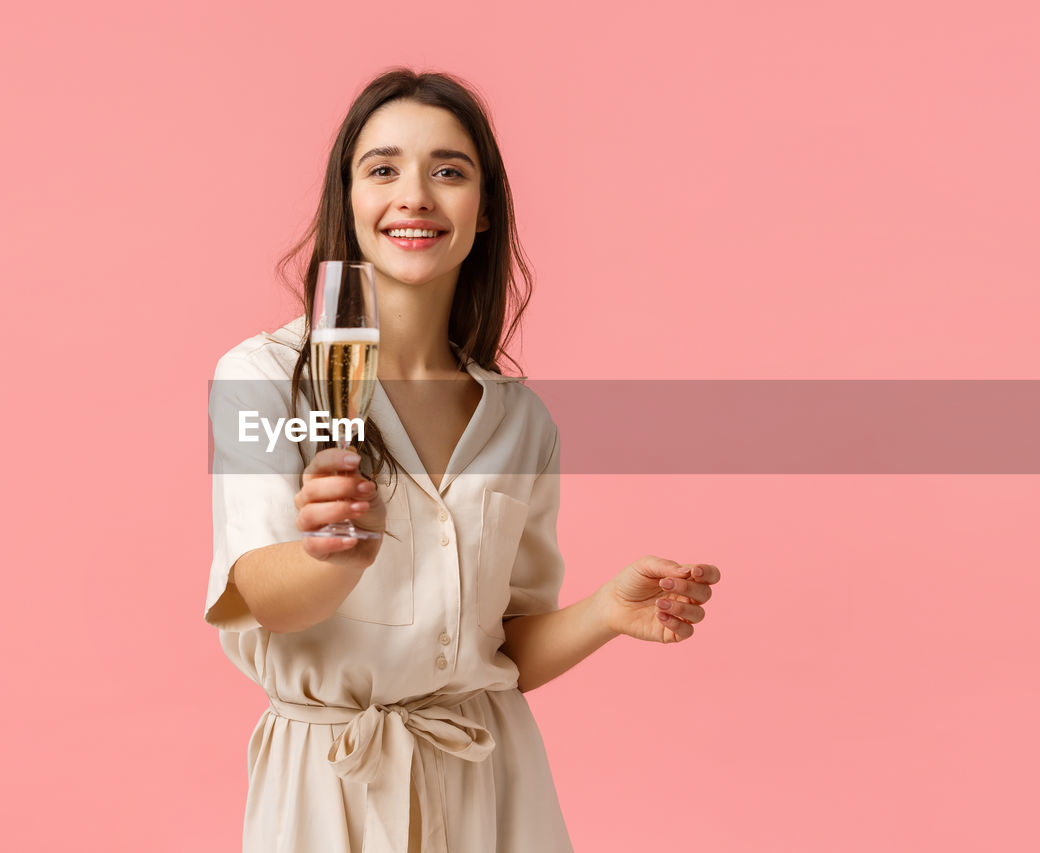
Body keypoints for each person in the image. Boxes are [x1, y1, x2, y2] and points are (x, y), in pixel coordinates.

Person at [206, 68, 721, 853]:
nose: (414, 194)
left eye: (448, 170)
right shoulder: (266, 381)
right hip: (330, 790)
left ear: (483, 213)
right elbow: (260, 597)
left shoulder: (521, 422)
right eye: (382, 169)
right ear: (348, 200)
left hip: (494, 786)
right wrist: (334, 551)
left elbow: (496, 647)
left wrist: (605, 614)